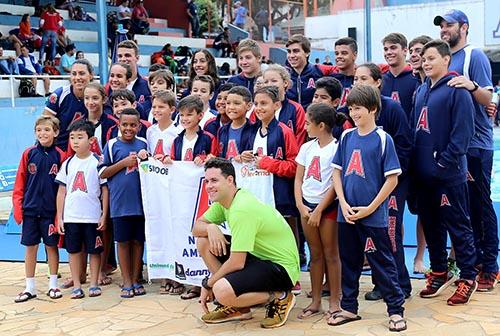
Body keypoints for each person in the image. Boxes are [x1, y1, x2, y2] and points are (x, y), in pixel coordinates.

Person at [330, 85, 406, 331]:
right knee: (349, 262)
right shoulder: (346, 137)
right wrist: (342, 202)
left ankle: (396, 310)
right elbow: (337, 173)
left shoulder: (383, 139)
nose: (353, 113)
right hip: (347, 214)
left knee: (382, 263)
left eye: (359, 108)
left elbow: (392, 179)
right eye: (351, 108)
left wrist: (371, 208)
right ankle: (349, 308)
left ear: (373, 109)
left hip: (373, 216)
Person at [192, 157, 299, 328]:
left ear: (230, 180)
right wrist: (211, 227)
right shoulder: (226, 200)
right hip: (259, 258)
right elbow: (196, 228)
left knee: (220, 290)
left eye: (214, 180)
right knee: (203, 242)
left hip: (281, 268)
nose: (209, 186)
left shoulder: (241, 208)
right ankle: (240, 307)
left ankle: (280, 295)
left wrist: (209, 284)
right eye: (206, 181)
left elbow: (237, 262)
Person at [435, 9, 498, 291]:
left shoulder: (474, 56)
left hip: (476, 145)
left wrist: (470, 84)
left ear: (464, 27)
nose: (444, 30)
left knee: (481, 206)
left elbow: (488, 98)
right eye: (441, 26)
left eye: (449, 25)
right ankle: (466, 264)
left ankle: (490, 267)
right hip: (455, 147)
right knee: (462, 211)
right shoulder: (445, 58)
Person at [412, 39, 478, 305]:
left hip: (448, 175)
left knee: (458, 227)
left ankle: (468, 278)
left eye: (431, 58)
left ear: (446, 59)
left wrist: (442, 165)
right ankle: (438, 271)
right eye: (423, 59)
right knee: (431, 226)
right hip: (423, 175)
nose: (426, 63)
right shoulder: (421, 91)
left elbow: (463, 135)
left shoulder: (457, 90)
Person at [353, 63, 413, 301]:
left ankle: (401, 284)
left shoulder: (392, 108)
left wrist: (390, 177)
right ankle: (382, 283)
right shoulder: (356, 113)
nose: (359, 83)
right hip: (368, 185)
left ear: (378, 82)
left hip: (392, 183)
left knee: (390, 233)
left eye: (364, 78)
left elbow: (405, 147)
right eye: (356, 79)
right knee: (372, 236)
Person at [294, 103, 345, 319]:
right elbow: (298, 178)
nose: (304, 126)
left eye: (307, 123)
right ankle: (315, 301)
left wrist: (319, 210)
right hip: (307, 205)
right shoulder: (307, 148)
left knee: (331, 253)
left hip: (328, 208)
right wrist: (300, 205)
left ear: (321, 125)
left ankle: (335, 300)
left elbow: (335, 184)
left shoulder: (336, 148)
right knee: (315, 255)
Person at [12, 115, 66, 303]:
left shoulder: (61, 155)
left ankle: (53, 284)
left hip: (50, 212)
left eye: (47, 130)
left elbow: (63, 188)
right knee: (30, 248)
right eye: (39, 130)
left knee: (51, 247)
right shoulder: (28, 154)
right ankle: (30, 287)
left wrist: (61, 214)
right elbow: (20, 183)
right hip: (30, 210)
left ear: (56, 132)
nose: (43, 133)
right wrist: (19, 210)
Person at [55, 120, 108, 299]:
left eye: (80, 137)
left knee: (94, 251)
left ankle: (93, 283)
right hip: (71, 216)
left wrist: (104, 214)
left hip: (92, 216)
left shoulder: (98, 162)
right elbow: (61, 192)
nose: (75, 141)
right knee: (74, 251)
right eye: (72, 137)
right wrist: (59, 217)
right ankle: (77, 285)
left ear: (91, 140)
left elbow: (105, 190)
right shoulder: (68, 163)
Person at [99, 108, 148, 299]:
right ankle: (126, 281)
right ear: (119, 125)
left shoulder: (144, 143)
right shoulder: (111, 145)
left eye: (133, 125)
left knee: (138, 242)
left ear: (139, 126)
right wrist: (124, 163)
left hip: (141, 204)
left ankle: (136, 279)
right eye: (125, 124)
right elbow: (102, 173)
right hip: (120, 204)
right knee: (123, 242)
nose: (129, 128)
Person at [407, 34, 432, 275]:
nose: (415, 55)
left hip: (430, 155)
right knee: (413, 207)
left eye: (420, 51)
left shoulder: (440, 84)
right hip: (409, 153)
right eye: (412, 51)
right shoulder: (410, 82)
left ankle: (422, 257)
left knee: (432, 208)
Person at [44, 59, 94, 150]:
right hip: (58, 148)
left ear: (91, 75)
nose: (77, 77)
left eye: (82, 73)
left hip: (83, 149)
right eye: (74, 74)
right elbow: (45, 123)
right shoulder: (60, 94)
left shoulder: (96, 96)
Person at [285, 34, 337, 109]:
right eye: (289, 52)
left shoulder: (319, 71)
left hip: (313, 118)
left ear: (307, 52)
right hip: (290, 119)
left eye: (296, 51)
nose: (291, 55)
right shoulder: (283, 75)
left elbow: (342, 71)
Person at [261, 64, 306, 145]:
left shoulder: (296, 109)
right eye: (266, 82)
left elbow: (300, 137)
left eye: (274, 81)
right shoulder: (258, 108)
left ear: (285, 83)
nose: (269, 84)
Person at [380, 33, 419, 119]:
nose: (389, 52)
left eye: (393, 48)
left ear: (405, 51)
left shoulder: (416, 78)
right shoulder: (380, 80)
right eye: (386, 49)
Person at [217, 86, 254, 160]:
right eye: (228, 103)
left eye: (236, 103)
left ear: (249, 106)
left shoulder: (254, 129)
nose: (231, 107)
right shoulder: (222, 130)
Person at [116, 40, 151, 104]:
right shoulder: (111, 87)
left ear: (137, 58)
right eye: (120, 56)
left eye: (127, 55)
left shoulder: (148, 86)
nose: (123, 59)